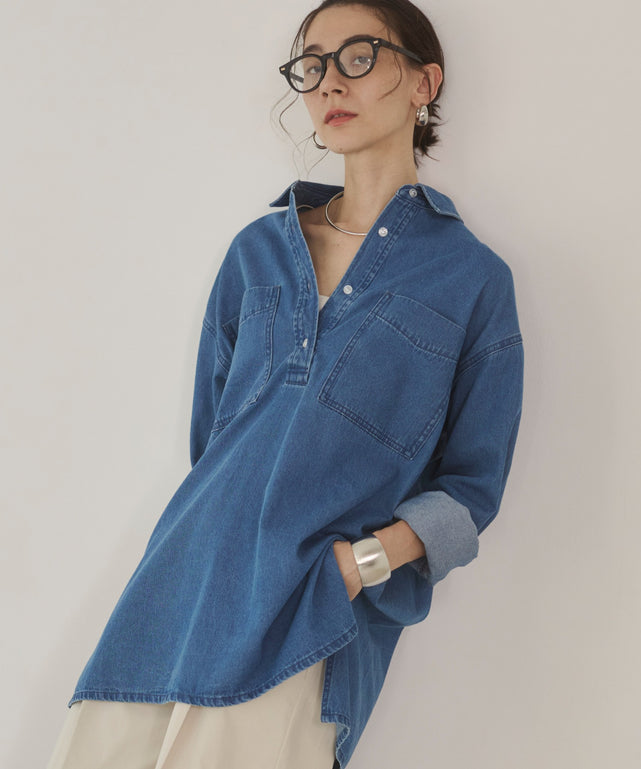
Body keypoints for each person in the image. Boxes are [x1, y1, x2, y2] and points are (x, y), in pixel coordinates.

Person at [46, 1, 524, 767]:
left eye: (358, 56)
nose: (329, 81)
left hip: (309, 614)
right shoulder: (257, 252)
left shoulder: (470, 280)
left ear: (423, 83)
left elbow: (470, 491)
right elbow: (215, 445)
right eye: (312, 65)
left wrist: (357, 567)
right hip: (176, 587)